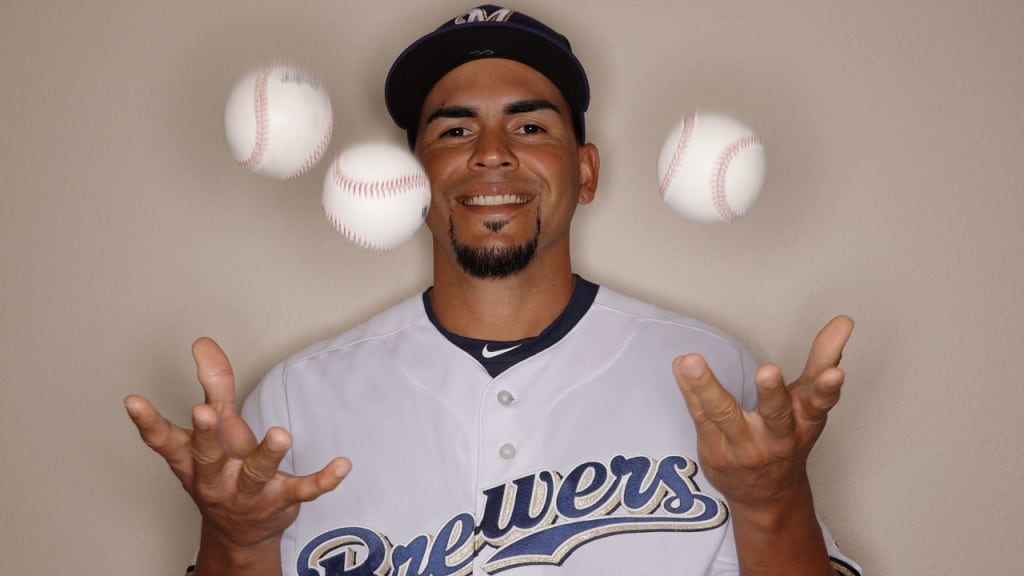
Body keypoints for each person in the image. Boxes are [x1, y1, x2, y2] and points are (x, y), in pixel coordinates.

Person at [125, 5, 862, 576]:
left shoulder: (712, 378)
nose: (491, 154)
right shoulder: (295, 401)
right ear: (410, 181)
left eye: (530, 125)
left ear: (586, 172)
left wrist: (774, 503)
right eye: (453, 132)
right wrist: (236, 544)